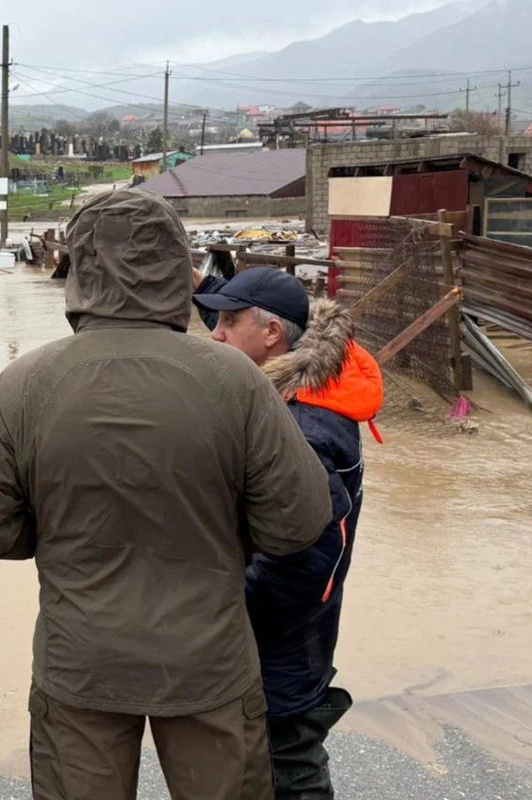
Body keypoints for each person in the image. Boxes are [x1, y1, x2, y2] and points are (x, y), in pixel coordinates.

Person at [0, 189, 332, 800]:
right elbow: (300, 521)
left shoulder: (25, 384)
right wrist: (225, 532)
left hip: (82, 663)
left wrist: (60, 530)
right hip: (210, 662)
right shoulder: (236, 381)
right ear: (182, 271)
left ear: (79, 270)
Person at [193, 268, 385, 800]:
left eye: (229, 322)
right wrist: (208, 282)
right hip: (289, 634)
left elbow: (307, 562)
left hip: (282, 640)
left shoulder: (306, 429)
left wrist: (219, 605)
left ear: (273, 333)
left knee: (288, 758)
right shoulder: (305, 388)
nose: (215, 334)